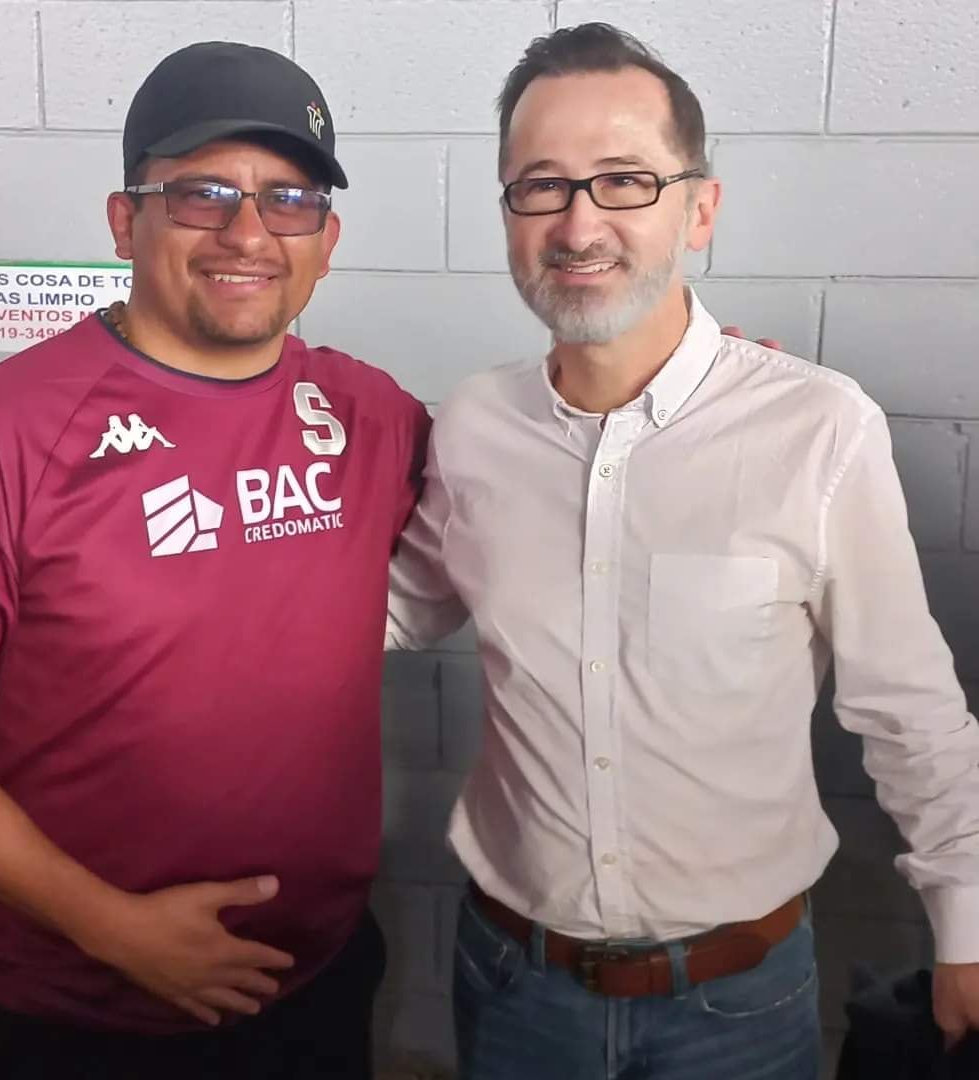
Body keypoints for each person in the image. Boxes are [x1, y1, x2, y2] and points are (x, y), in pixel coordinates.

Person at [386, 22, 979, 1080]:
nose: (578, 223)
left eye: (624, 181)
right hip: (515, 988)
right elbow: (394, 606)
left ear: (699, 208)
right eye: (541, 186)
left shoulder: (819, 430)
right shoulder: (474, 427)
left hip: (738, 1007)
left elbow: (909, 708)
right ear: (509, 213)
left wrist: (967, 924)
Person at [0, 41, 430, 1080]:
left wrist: (678, 396)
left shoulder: (373, 416)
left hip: (313, 990)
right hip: (75, 1013)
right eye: (201, 194)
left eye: (288, 200)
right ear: (123, 219)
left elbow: (540, 469)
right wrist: (113, 926)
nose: (247, 233)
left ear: (327, 239)